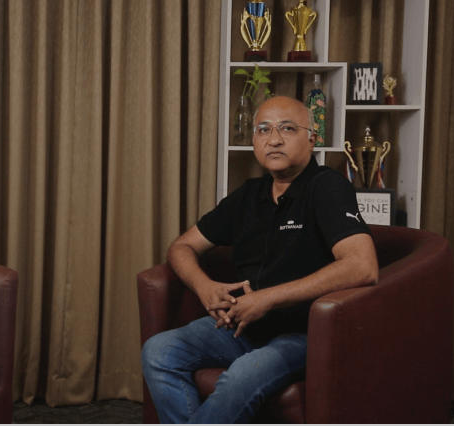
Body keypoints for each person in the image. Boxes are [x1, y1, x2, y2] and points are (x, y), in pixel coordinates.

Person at [142, 96, 379, 423]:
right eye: (264, 129)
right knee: (158, 351)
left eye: (287, 128)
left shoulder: (327, 187)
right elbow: (181, 247)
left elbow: (363, 266)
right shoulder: (248, 194)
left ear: (312, 139)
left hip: (305, 334)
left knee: (242, 375)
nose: (274, 139)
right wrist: (204, 287)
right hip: (243, 327)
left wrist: (267, 298)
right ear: (254, 139)